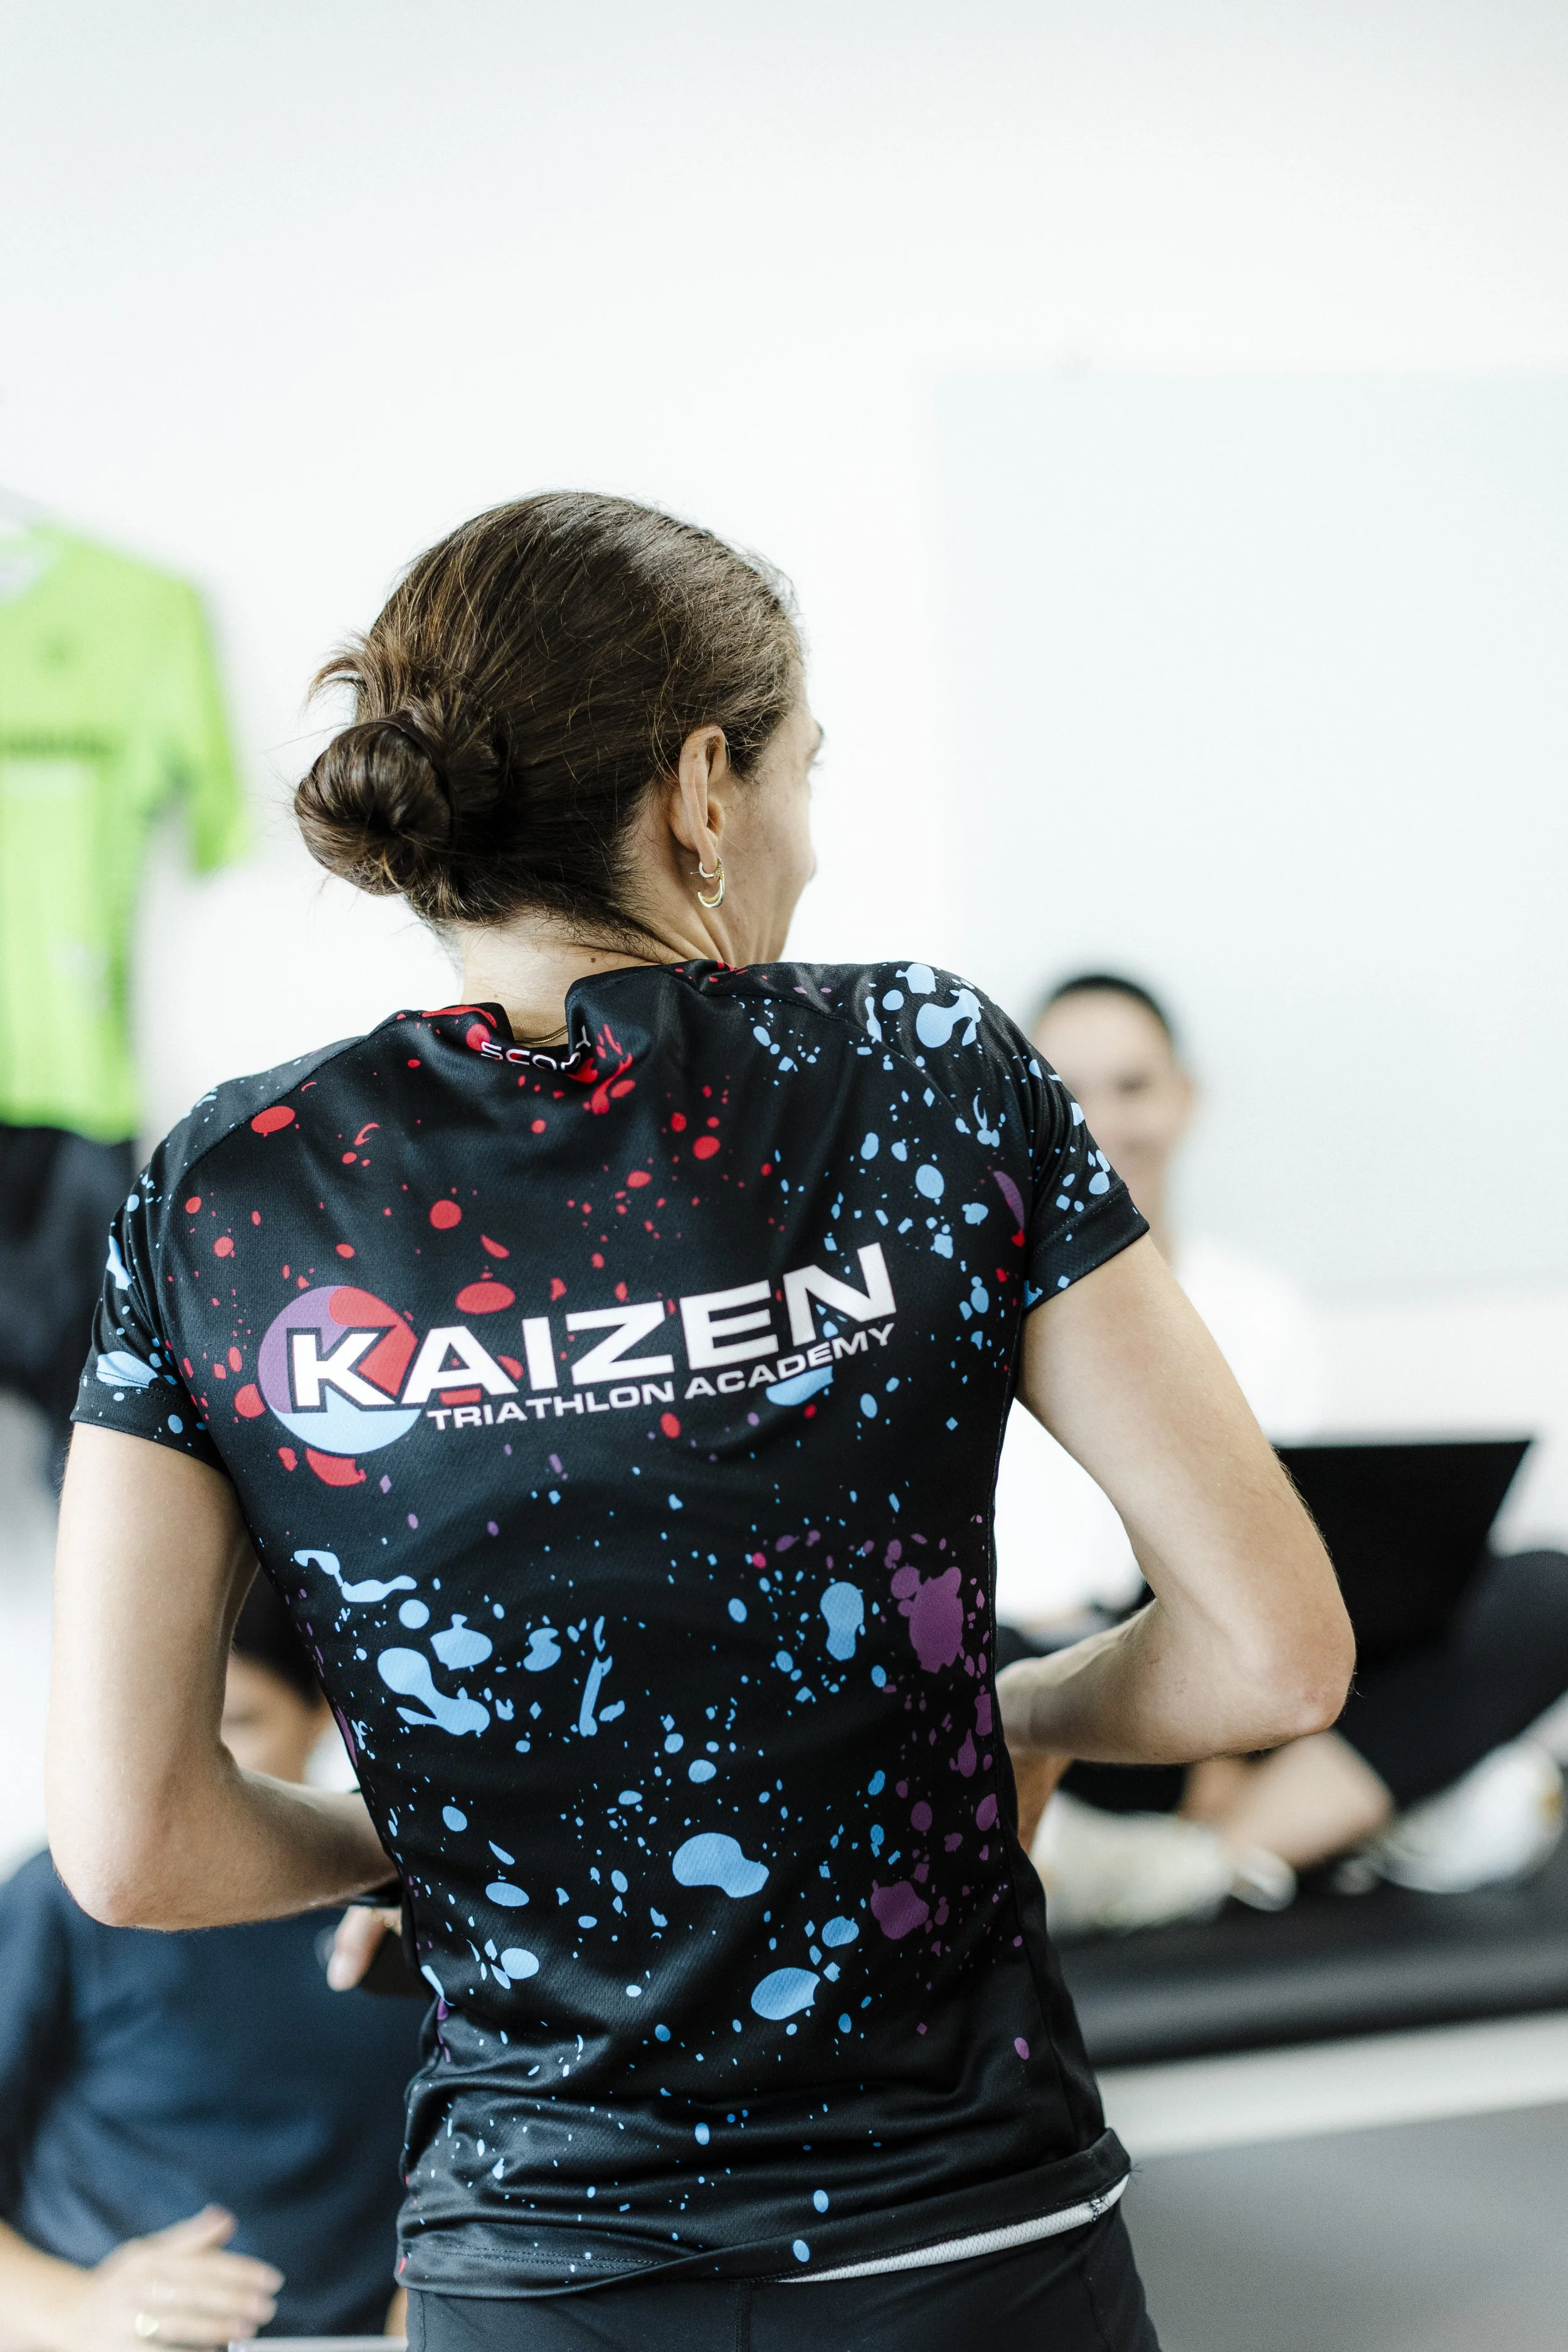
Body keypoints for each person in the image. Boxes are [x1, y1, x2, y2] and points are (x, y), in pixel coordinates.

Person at [47, 494, 1352, 2352]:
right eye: (801, 769)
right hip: (961, 2242)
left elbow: (138, 1845)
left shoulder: (232, 1188)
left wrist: (467, 1835)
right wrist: (1007, 1710)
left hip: (538, 2270)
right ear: (698, 793)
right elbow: (1268, 1657)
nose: (809, 839)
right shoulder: (925, 1071)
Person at [998, 973, 1568, 1935]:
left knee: (1546, 1589)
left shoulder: (1258, 1311)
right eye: (1069, 1087)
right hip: (1086, 1705)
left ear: (1185, 1099)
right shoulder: (966, 1320)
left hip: (1269, 1691)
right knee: (987, 1666)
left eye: (1134, 1085)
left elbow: (1310, 1558)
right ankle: (1321, 1832)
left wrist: (1237, 1727)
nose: (1104, 1118)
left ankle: (1209, 1863)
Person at [0, 1579, 421, 2349]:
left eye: (239, 1724)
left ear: (324, 1713)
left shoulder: (407, 1908)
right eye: (158, 1731)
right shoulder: (60, 1901)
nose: (189, 1769)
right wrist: (72, 2312)